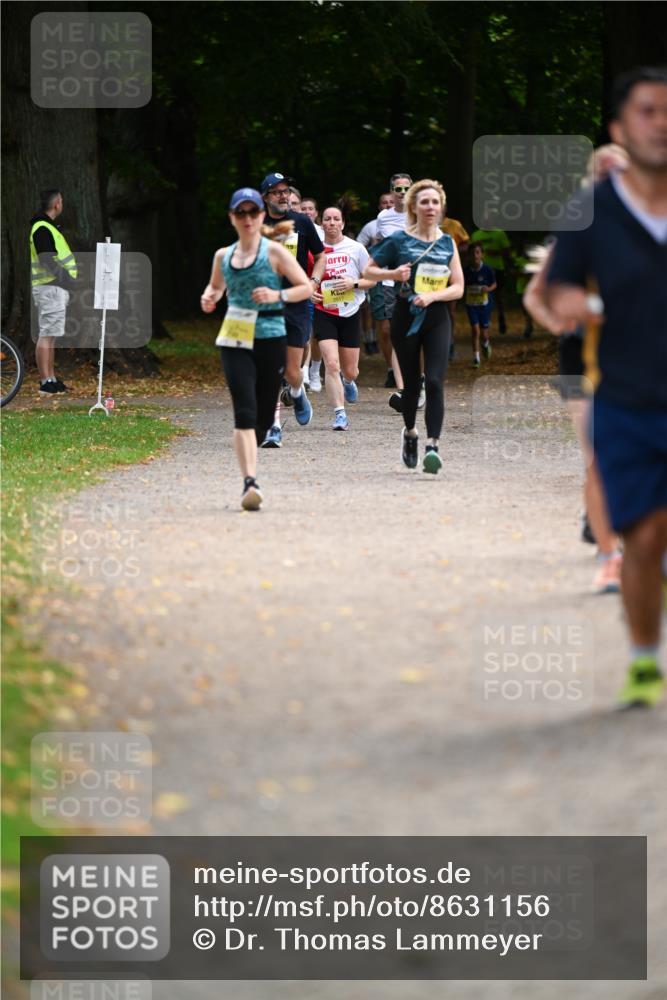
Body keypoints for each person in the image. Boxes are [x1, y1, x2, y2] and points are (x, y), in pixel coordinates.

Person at [543, 67, 667, 706]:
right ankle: (646, 660)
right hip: (626, 397)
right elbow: (550, 288)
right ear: (621, 127)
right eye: (648, 110)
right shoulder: (592, 213)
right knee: (645, 539)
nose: (662, 121)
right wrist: (576, 303)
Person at [200, 187, 311, 510]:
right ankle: (250, 482)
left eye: (253, 212)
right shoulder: (223, 256)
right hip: (235, 338)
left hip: (270, 337)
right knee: (244, 412)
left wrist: (278, 296)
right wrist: (210, 297)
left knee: (262, 418)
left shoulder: (274, 253)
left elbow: (305, 287)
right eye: (240, 213)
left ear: (261, 215)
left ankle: (262, 434)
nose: (247, 218)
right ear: (232, 218)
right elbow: (216, 286)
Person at [364, 179, 464, 474]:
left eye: (435, 202)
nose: (430, 207)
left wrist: (433, 295)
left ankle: (432, 446)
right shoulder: (398, 240)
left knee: (434, 381)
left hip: (436, 317)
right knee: (410, 386)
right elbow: (368, 270)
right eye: (424, 202)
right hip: (405, 318)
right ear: (413, 207)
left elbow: (458, 287)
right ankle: (410, 432)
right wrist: (394, 274)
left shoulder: (447, 242)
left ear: (441, 206)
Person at [259, 172, 325, 447]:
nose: (283, 196)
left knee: (291, 370)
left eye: (286, 191)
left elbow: (320, 256)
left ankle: (297, 391)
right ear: (265, 197)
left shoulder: (302, 222)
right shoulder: (256, 223)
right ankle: (273, 427)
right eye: (277, 192)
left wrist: (314, 281)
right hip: (266, 302)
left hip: (296, 301)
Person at [310, 205, 375, 430]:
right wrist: (310, 293)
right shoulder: (314, 250)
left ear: (343, 223)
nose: (331, 223)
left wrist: (353, 283)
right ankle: (339, 414)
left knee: (350, 370)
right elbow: (304, 279)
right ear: (322, 223)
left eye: (336, 219)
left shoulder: (355, 249)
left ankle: (349, 382)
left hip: (349, 312)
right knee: (331, 363)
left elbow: (372, 280)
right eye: (327, 219)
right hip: (324, 312)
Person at [30, 189, 78, 395]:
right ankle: (45, 382)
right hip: (50, 287)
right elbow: (46, 259)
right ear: (57, 203)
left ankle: (51, 378)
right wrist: (64, 278)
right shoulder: (42, 228)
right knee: (47, 334)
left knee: (51, 335)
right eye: (62, 200)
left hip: (54, 287)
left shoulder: (47, 227)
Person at [375, 173, 412, 397]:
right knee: (392, 331)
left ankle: (420, 377)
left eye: (407, 189)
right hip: (390, 281)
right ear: (392, 192)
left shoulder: (419, 214)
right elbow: (381, 245)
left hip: (416, 281)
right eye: (399, 189)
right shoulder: (383, 217)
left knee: (415, 332)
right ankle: (402, 386)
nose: (403, 194)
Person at [357, 192, 394, 356]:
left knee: (403, 328)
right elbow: (357, 249)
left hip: (404, 281)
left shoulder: (409, 223)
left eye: (390, 202)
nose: (387, 205)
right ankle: (391, 370)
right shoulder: (371, 227)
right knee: (385, 329)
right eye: (384, 203)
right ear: (379, 207)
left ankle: (408, 368)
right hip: (380, 281)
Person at [469, 219, 511, 334]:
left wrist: (496, 253)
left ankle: (501, 316)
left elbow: (507, 252)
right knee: (482, 294)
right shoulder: (476, 234)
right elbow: (470, 250)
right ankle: (484, 320)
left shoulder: (500, 233)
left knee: (498, 295)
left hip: (497, 268)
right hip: (480, 270)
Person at [440, 210, 470, 360]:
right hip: (430, 274)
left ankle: (450, 343)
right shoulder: (421, 224)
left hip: (450, 272)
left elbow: (466, 243)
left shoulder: (454, 224)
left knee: (450, 310)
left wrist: (454, 252)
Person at [463, 242, 496, 367]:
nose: (475, 255)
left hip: (485, 305)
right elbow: (460, 284)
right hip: (471, 305)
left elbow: (494, 284)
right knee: (475, 330)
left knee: (484, 333)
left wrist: (488, 289)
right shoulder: (466, 271)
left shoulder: (487, 269)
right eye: (472, 253)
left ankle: (486, 343)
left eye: (477, 252)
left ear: (482, 254)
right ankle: (476, 358)